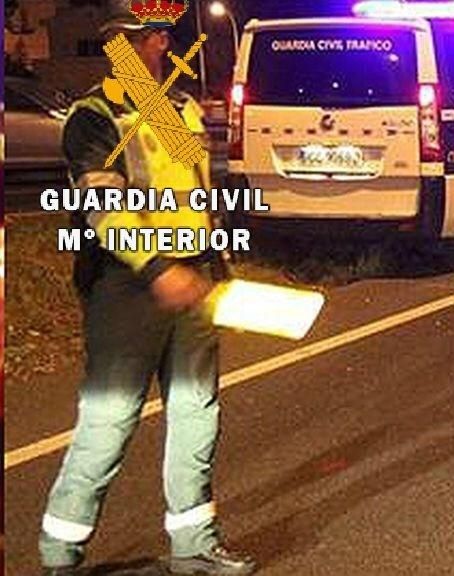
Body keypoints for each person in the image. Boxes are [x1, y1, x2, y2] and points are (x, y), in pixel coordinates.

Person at [38, 3, 255, 574]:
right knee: (110, 420)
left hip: (195, 281)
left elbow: (199, 195)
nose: (130, 47)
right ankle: (60, 554)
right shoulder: (94, 116)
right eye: (119, 39)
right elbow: (100, 207)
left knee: (196, 414)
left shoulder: (178, 111)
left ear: (159, 42)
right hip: (128, 287)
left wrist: (218, 269)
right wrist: (159, 271)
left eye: (139, 38)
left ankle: (194, 544)